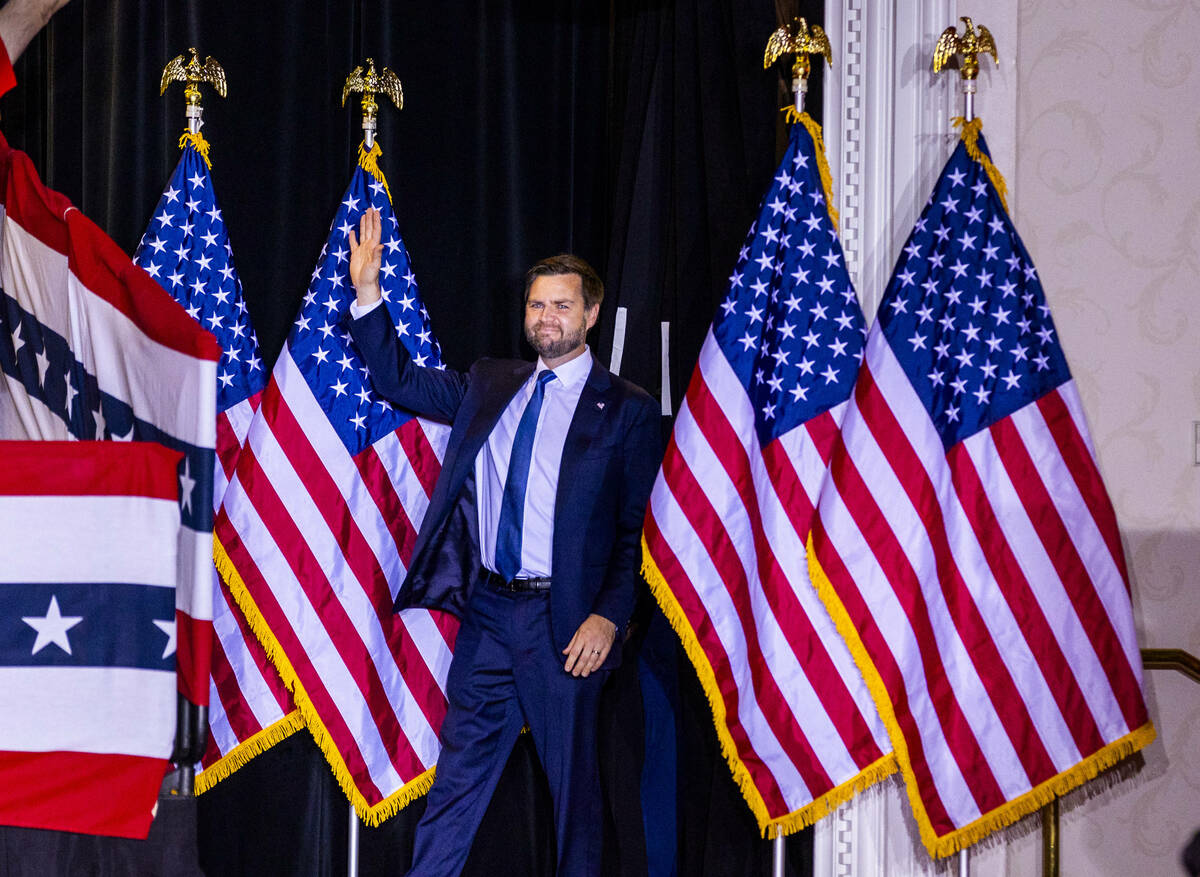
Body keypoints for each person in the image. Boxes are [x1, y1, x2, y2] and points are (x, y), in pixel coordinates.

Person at [347, 207, 661, 877]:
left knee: (574, 802)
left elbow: (637, 529)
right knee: (456, 787)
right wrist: (368, 293)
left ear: (592, 314)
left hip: (568, 625)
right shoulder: (492, 382)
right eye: (537, 303)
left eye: (562, 305)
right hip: (489, 616)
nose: (547, 316)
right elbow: (396, 380)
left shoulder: (626, 406)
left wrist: (610, 614)